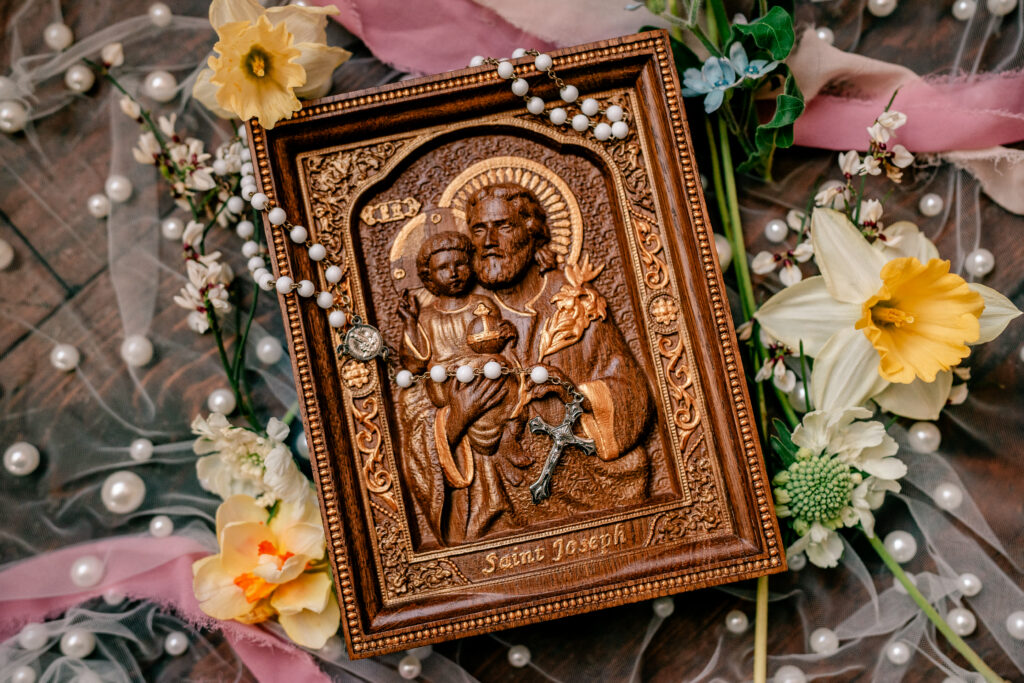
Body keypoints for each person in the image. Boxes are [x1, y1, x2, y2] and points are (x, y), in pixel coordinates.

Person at [435, 182, 655, 523]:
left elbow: (630, 391)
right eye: (479, 230)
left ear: (532, 233)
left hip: (591, 487)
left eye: (503, 226)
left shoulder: (575, 302)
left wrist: (575, 394)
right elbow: (416, 412)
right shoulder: (462, 314)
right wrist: (455, 419)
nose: (489, 242)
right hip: (504, 502)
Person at [396, 230, 525, 543]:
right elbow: (414, 365)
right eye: (443, 268)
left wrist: (503, 331)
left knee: (497, 384)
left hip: (486, 376)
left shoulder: (482, 303)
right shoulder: (427, 316)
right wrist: (411, 324)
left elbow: (493, 336)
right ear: (428, 277)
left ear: (472, 265)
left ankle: (507, 438)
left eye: (460, 264)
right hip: (449, 389)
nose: (453, 273)